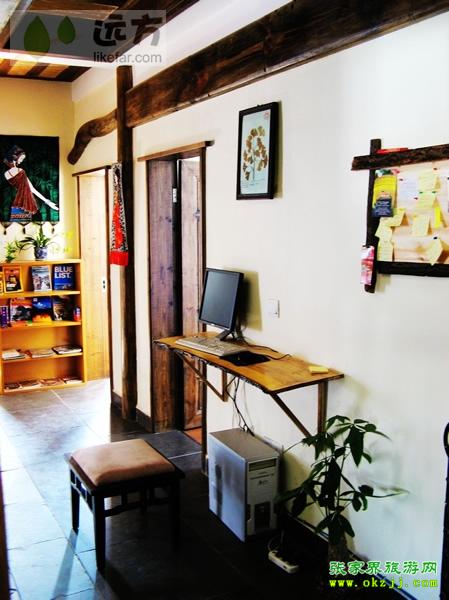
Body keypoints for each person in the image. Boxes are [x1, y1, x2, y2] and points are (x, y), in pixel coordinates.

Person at [3, 145, 59, 220]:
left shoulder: (6, 174)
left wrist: (47, 202)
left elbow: (26, 188)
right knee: (24, 224)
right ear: (15, 157)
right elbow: (32, 189)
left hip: (17, 204)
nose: (22, 161)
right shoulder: (21, 171)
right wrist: (47, 202)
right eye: (21, 158)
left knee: (17, 223)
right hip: (25, 204)